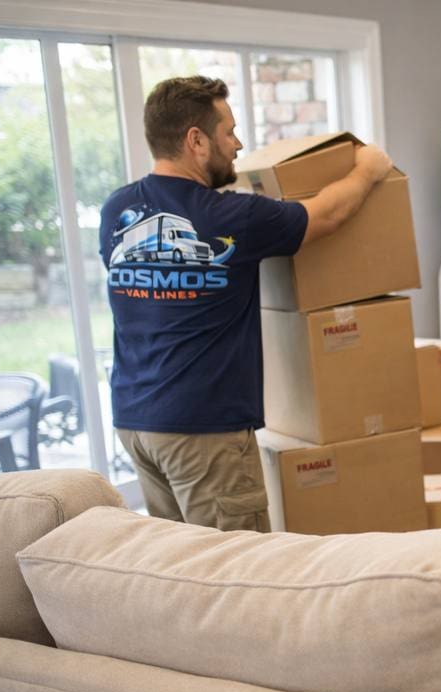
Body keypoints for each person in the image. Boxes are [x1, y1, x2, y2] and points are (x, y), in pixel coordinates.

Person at [100, 76, 391, 532]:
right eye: (229, 132)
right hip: (203, 431)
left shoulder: (116, 210)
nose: (237, 144)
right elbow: (327, 214)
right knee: (237, 564)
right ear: (196, 141)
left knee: (177, 559)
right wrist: (369, 170)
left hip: (136, 423)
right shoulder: (230, 216)